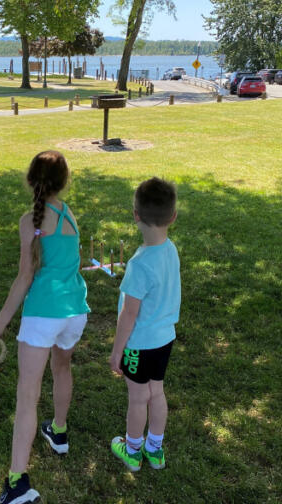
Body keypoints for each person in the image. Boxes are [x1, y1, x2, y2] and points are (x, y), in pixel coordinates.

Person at [0, 150, 90, 504]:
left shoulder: (31, 221)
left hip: (45, 314)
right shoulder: (69, 214)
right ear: (64, 182)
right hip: (75, 313)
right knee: (62, 367)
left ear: (30, 180)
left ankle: (17, 484)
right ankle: (58, 431)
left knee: (27, 395)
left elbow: (25, 277)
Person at [109, 176, 180, 473]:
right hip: (164, 339)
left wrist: (117, 351)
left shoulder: (139, 265)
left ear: (136, 215)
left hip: (139, 344)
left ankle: (133, 451)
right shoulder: (171, 249)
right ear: (172, 217)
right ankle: (155, 449)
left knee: (139, 398)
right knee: (157, 392)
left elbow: (129, 315)